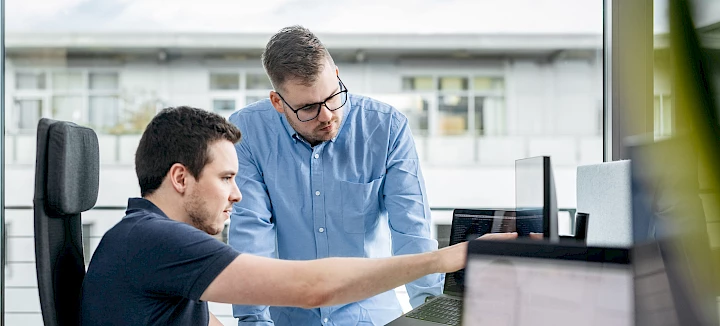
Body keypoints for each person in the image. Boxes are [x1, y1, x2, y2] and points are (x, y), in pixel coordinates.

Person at [80, 106, 517, 326]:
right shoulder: (158, 241)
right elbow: (313, 288)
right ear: (180, 178)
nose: (236, 196)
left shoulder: (142, 239)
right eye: (227, 178)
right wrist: (453, 256)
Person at [227, 24, 445, 326]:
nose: (327, 115)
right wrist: (254, 321)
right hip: (288, 318)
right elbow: (251, 235)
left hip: (372, 317)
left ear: (338, 75)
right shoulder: (247, 132)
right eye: (308, 108)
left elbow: (412, 233)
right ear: (278, 102)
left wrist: (433, 319)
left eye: (333, 96)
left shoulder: (387, 127)